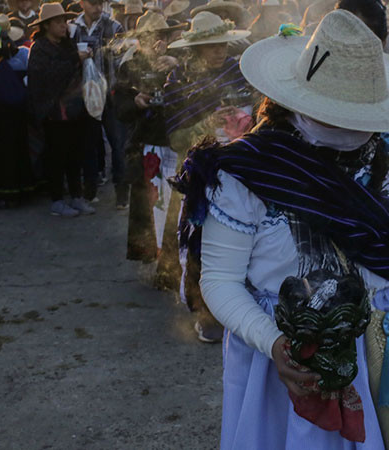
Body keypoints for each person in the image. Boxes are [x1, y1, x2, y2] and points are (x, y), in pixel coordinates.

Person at [169, 10, 389, 448]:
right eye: (340, 111)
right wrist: (274, 343)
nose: (353, 123)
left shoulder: (382, 148)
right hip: (284, 353)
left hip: (377, 342)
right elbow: (219, 280)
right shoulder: (247, 171)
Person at [158, 11, 252, 342]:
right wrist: (207, 124)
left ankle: (244, 312)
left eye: (223, 44)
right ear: (196, 48)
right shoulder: (178, 82)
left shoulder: (239, 72)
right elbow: (176, 139)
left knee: (245, 244)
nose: (219, 51)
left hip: (241, 171)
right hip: (201, 178)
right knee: (202, 245)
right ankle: (207, 314)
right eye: (212, 45)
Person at [115, 10, 183, 262]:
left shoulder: (179, 61)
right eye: (150, 36)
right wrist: (135, 101)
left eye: (161, 35)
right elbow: (120, 108)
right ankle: (148, 252)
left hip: (174, 140)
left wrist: (176, 64)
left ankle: (172, 256)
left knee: (174, 201)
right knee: (147, 202)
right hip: (145, 142)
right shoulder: (129, 67)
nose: (156, 41)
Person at [27, 2, 96, 216]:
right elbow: (47, 78)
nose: (63, 26)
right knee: (56, 156)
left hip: (75, 108)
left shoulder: (67, 45)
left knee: (75, 154)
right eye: (58, 22)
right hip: (54, 112)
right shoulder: (39, 49)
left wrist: (83, 58)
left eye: (64, 22)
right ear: (46, 25)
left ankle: (76, 197)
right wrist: (76, 59)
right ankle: (57, 200)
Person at [69, 0, 128, 207]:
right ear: (82, 3)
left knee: (118, 145)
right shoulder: (73, 29)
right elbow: (67, 60)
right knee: (89, 147)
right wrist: (76, 58)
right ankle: (90, 192)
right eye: (93, 3)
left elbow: (123, 61)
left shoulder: (114, 27)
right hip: (84, 96)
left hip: (111, 96)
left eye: (100, 3)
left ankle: (121, 193)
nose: (98, 8)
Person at [0, 13, 36, 209]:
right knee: (20, 148)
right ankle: (24, 190)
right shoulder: (23, 54)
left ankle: (6, 193)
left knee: (2, 151)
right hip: (19, 110)